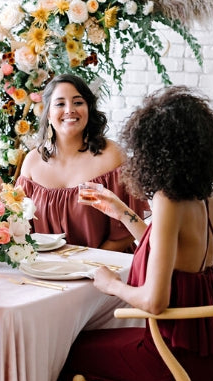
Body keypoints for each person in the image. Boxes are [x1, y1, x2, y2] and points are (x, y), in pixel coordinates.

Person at [50, 85, 213, 381]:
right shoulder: (205, 197)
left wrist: (109, 283)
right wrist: (124, 214)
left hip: (172, 361)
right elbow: (174, 255)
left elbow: (153, 300)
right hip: (208, 362)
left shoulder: (168, 199)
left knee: (68, 357)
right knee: (99, 352)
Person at [17, 73, 148, 252]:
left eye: (78, 102)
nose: (70, 109)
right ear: (47, 113)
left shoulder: (112, 156)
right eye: (60, 103)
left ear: (89, 109)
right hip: (47, 270)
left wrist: (88, 265)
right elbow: (21, 227)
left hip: (107, 267)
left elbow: (127, 230)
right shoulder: (31, 162)